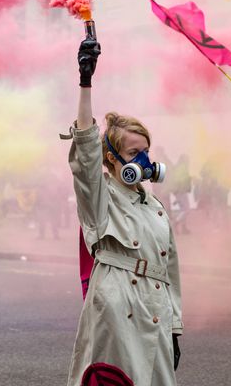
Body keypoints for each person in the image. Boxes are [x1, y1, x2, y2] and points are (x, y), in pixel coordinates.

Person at [65, 36, 183, 385]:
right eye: (134, 154)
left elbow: (169, 269)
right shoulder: (100, 197)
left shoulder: (155, 206)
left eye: (146, 150)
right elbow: (85, 150)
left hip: (156, 309)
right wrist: (86, 82)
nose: (144, 161)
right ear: (111, 159)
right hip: (118, 307)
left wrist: (175, 327)